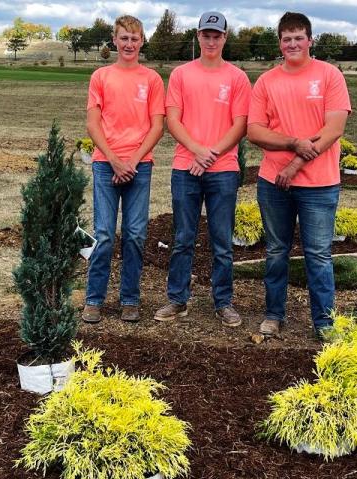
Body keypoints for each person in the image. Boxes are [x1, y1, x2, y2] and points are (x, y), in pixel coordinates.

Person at [246, 11, 351, 338]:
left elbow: (334, 128)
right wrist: (292, 143)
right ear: (280, 42)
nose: (292, 43)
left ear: (310, 40)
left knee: (318, 255)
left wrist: (295, 163)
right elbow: (254, 131)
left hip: (319, 185)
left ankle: (324, 323)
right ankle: (274, 314)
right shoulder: (266, 81)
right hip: (273, 183)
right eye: (286, 38)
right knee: (276, 251)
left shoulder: (329, 75)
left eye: (298, 37)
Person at [154, 11, 251, 327]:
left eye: (217, 35)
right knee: (183, 237)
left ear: (225, 38)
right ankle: (177, 299)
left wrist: (212, 154)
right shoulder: (182, 75)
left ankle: (223, 302)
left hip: (223, 170)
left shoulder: (237, 77)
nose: (211, 40)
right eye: (206, 34)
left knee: (221, 241)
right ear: (198, 36)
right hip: (186, 167)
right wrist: (198, 151)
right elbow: (173, 119)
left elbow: (240, 124)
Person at [82, 15, 165, 324]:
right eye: (123, 38)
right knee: (103, 234)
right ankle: (94, 299)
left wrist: (132, 161)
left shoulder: (152, 79)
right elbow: (93, 123)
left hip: (139, 166)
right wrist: (115, 159)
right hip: (105, 165)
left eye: (135, 38)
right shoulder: (101, 77)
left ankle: (130, 299)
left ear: (142, 41)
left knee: (134, 234)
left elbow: (157, 126)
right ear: (114, 40)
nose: (129, 44)